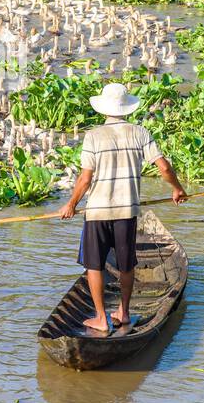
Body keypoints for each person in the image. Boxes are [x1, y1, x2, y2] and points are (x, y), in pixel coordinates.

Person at [59, 83, 187, 333]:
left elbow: (85, 179)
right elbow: (163, 167)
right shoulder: (140, 132)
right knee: (127, 264)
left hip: (97, 212)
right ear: (126, 108)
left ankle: (100, 318)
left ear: (104, 109)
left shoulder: (94, 136)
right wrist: (177, 189)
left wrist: (71, 204)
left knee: (94, 265)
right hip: (127, 212)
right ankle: (124, 313)